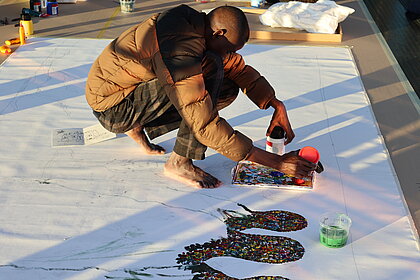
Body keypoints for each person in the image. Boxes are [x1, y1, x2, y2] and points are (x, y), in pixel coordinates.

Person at [86, 4, 317, 188]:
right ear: (218, 33)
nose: (231, 54)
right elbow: (203, 121)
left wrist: (276, 105)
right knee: (211, 70)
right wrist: (275, 162)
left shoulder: (196, 26)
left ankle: (137, 127)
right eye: (230, 48)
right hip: (114, 109)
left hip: (124, 91)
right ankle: (179, 162)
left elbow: (237, 68)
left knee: (226, 85)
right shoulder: (180, 49)